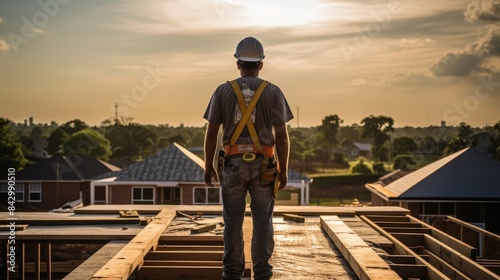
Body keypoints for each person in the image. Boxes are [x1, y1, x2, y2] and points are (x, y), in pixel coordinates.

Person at [203, 36, 294, 280]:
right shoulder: (273, 92)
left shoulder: (223, 91)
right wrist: (284, 169)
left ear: (238, 64)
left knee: (232, 221)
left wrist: (208, 166)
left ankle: (231, 274)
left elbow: (212, 132)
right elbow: (282, 135)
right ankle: (263, 274)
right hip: (264, 165)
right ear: (261, 64)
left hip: (232, 165)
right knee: (263, 220)